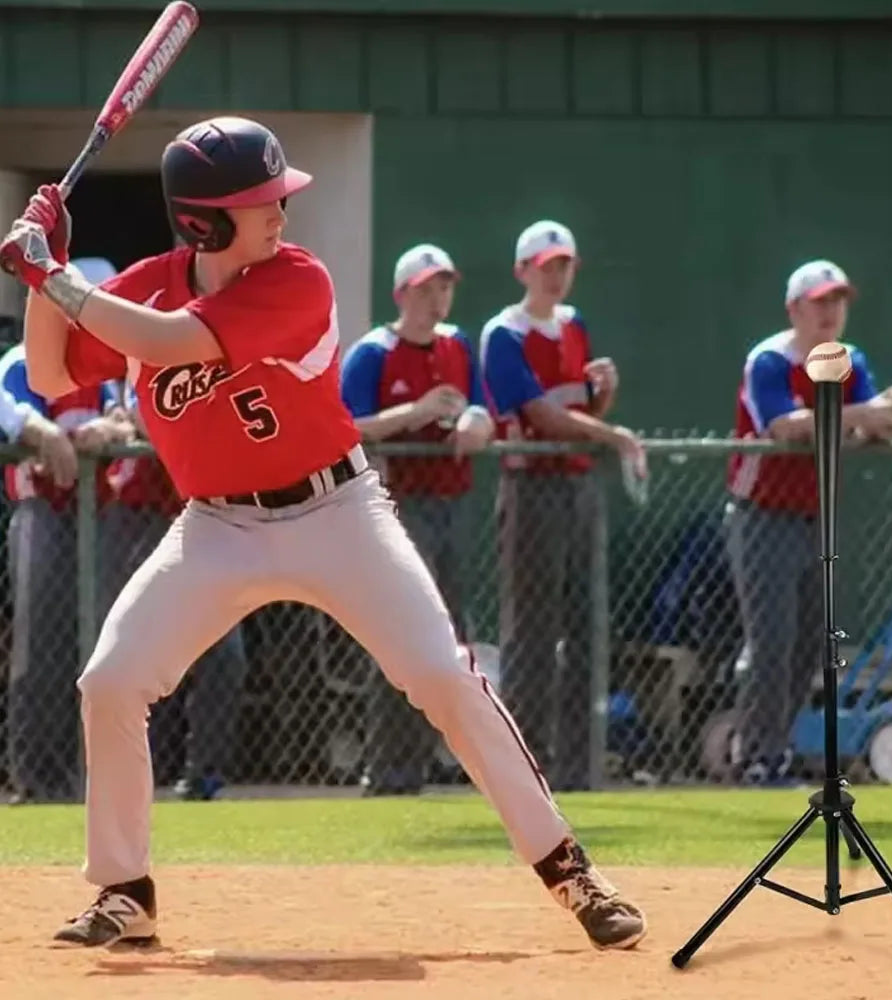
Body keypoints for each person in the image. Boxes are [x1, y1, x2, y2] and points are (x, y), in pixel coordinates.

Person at [0, 116, 646, 951]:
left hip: (338, 514)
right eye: (262, 201)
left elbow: (166, 342)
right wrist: (39, 269)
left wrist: (55, 276)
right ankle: (124, 890)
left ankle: (570, 871)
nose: (282, 211)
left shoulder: (296, 279)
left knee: (440, 676)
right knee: (113, 681)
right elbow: (51, 372)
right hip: (217, 526)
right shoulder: (145, 283)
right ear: (203, 220)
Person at [480, 220, 645, 791]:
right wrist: (616, 434)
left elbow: (580, 414)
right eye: (545, 265)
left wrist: (606, 395)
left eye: (564, 265)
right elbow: (542, 416)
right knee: (530, 633)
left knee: (583, 630)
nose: (556, 275)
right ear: (522, 270)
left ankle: (579, 769)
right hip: (531, 489)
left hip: (578, 487)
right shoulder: (503, 332)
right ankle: (524, 765)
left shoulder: (575, 327)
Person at [724, 260, 892, 784]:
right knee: (771, 642)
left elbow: (871, 422)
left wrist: (876, 418)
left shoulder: (850, 360)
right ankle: (755, 757)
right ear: (794, 308)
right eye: (819, 302)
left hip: (815, 518)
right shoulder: (771, 360)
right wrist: (863, 417)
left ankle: (777, 751)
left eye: (837, 301)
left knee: (808, 647)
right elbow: (784, 425)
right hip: (763, 516)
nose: (830, 312)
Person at [340, 242, 493, 795]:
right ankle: (389, 769)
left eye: (444, 287)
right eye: (426, 289)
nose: (437, 299)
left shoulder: (459, 346)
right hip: (395, 508)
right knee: (398, 634)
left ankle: (441, 760)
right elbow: (345, 426)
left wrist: (476, 424)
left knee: (448, 637)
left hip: (451, 504)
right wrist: (417, 412)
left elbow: (482, 405)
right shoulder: (374, 352)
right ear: (402, 294)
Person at [0, 302, 130, 804]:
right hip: (43, 512)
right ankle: (37, 780)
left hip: (100, 514)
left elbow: (128, 418)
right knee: (42, 650)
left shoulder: (104, 364)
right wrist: (54, 433)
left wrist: (110, 432)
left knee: (103, 652)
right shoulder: (23, 359)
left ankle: (94, 778)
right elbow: (14, 412)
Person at [102, 374, 250, 800]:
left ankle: (205, 775)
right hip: (139, 519)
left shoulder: (223, 356)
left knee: (225, 653)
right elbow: (142, 414)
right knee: (127, 656)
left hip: (209, 519)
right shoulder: (142, 354)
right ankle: (121, 778)